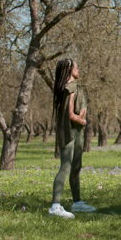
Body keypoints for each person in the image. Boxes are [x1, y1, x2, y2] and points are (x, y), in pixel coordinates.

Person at [49, 59, 96, 219]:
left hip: (77, 133)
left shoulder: (76, 88)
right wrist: (81, 120)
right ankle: (55, 206)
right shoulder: (69, 89)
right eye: (77, 67)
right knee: (66, 166)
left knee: (76, 167)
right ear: (70, 70)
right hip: (68, 133)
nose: (79, 69)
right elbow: (70, 115)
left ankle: (77, 203)